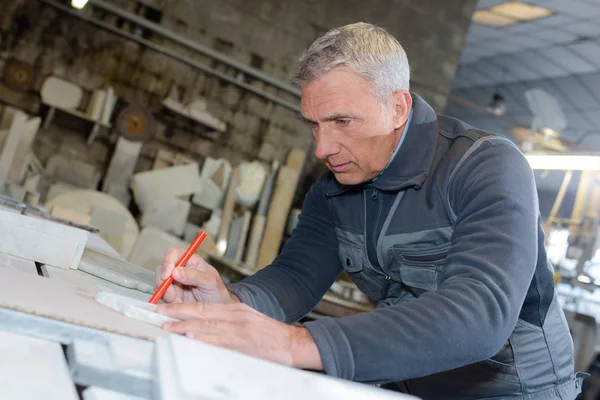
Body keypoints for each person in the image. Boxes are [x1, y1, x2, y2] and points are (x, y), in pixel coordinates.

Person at [155, 22, 585, 399]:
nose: (323, 148)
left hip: (512, 391)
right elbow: (296, 275)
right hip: (404, 378)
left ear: (397, 107)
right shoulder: (335, 186)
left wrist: (295, 343)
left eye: (342, 122)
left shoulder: (485, 166)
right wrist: (232, 302)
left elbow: (480, 313)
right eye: (314, 125)